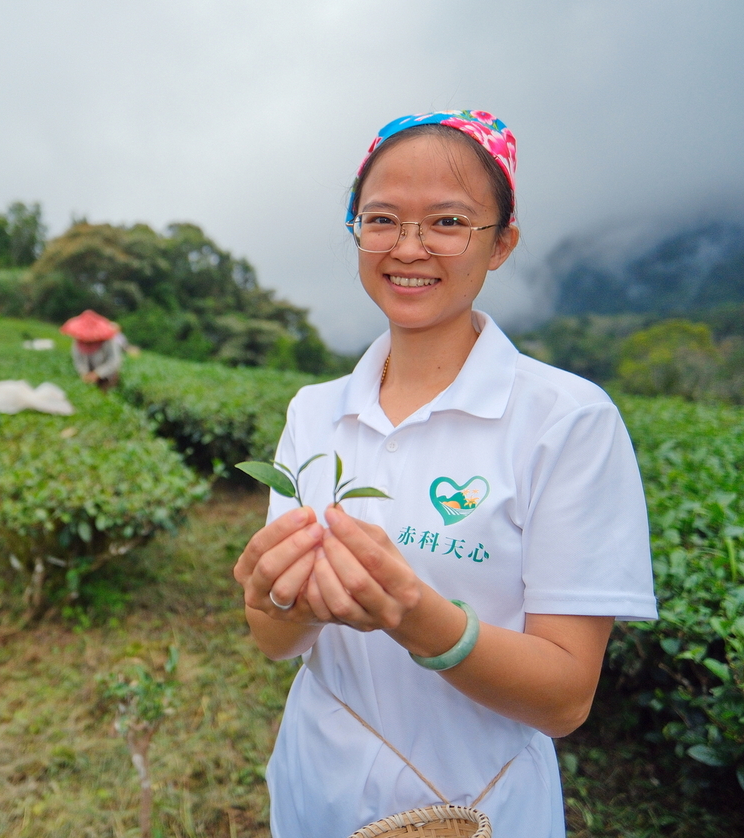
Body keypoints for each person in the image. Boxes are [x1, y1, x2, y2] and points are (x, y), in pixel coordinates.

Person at [232, 111, 657, 838]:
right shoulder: (315, 413)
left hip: (478, 806)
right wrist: (279, 600)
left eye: (448, 221)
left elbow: (563, 699)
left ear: (502, 243)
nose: (408, 248)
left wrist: (414, 617)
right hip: (314, 787)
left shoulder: (566, 420)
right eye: (381, 219)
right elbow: (276, 642)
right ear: (355, 231)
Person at [61, 309, 122, 390]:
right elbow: (78, 360)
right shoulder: (79, 340)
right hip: (88, 374)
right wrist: (83, 373)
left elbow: (114, 361)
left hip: (107, 376)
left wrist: (97, 374)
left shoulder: (109, 341)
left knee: (104, 395)